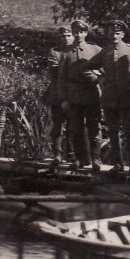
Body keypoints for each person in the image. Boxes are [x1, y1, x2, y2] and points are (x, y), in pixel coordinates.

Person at [90, 20, 130, 173]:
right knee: (113, 131)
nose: (114, 35)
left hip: (128, 95)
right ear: (108, 34)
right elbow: (88, 66)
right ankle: (118, 163)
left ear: (123, 34)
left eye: (118, 33)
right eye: (112, 33)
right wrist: (100, 77)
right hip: (110, 97)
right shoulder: (105, 51)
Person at [57, 19, 102, 171]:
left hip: (91, 93)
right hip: (74, 95)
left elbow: (106, 68)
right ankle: (78, 158)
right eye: (75, 31)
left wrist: (98, 78)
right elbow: (61, 78)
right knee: (75, 128)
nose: (77, 35)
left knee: (94, 127)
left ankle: (96, 158)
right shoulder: (66, 53)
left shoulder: (95, 49)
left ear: (86, 33)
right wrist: (63, 98)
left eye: (81, 32)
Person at [43, 25, 75, 166]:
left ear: (74, 36)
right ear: (60, 37)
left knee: (74, 124)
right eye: (64, 36)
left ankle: (72, 154)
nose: (67, 38)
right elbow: (56, 71)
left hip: (75, 93)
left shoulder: (77, 51)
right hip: (57, 93)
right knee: (58, 124)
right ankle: (57, 153)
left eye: (69, 35)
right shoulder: (54, 52)